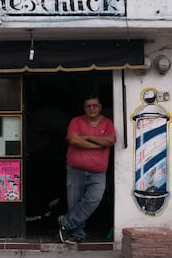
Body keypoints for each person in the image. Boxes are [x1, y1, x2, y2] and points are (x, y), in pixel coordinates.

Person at [58, 94, 116, 244]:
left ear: (100, 107)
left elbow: (111, 140)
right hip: (75, 170)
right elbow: (73, 139)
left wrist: (86, 137)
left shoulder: (108, 123)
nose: (92, 108)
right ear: (84, 108)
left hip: (98, 172)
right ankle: (77, 234)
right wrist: (98, 144)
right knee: (75, 202)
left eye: (95, 105)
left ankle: (66, 222)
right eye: (88, 106)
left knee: (93, 200)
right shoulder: (76, 121)